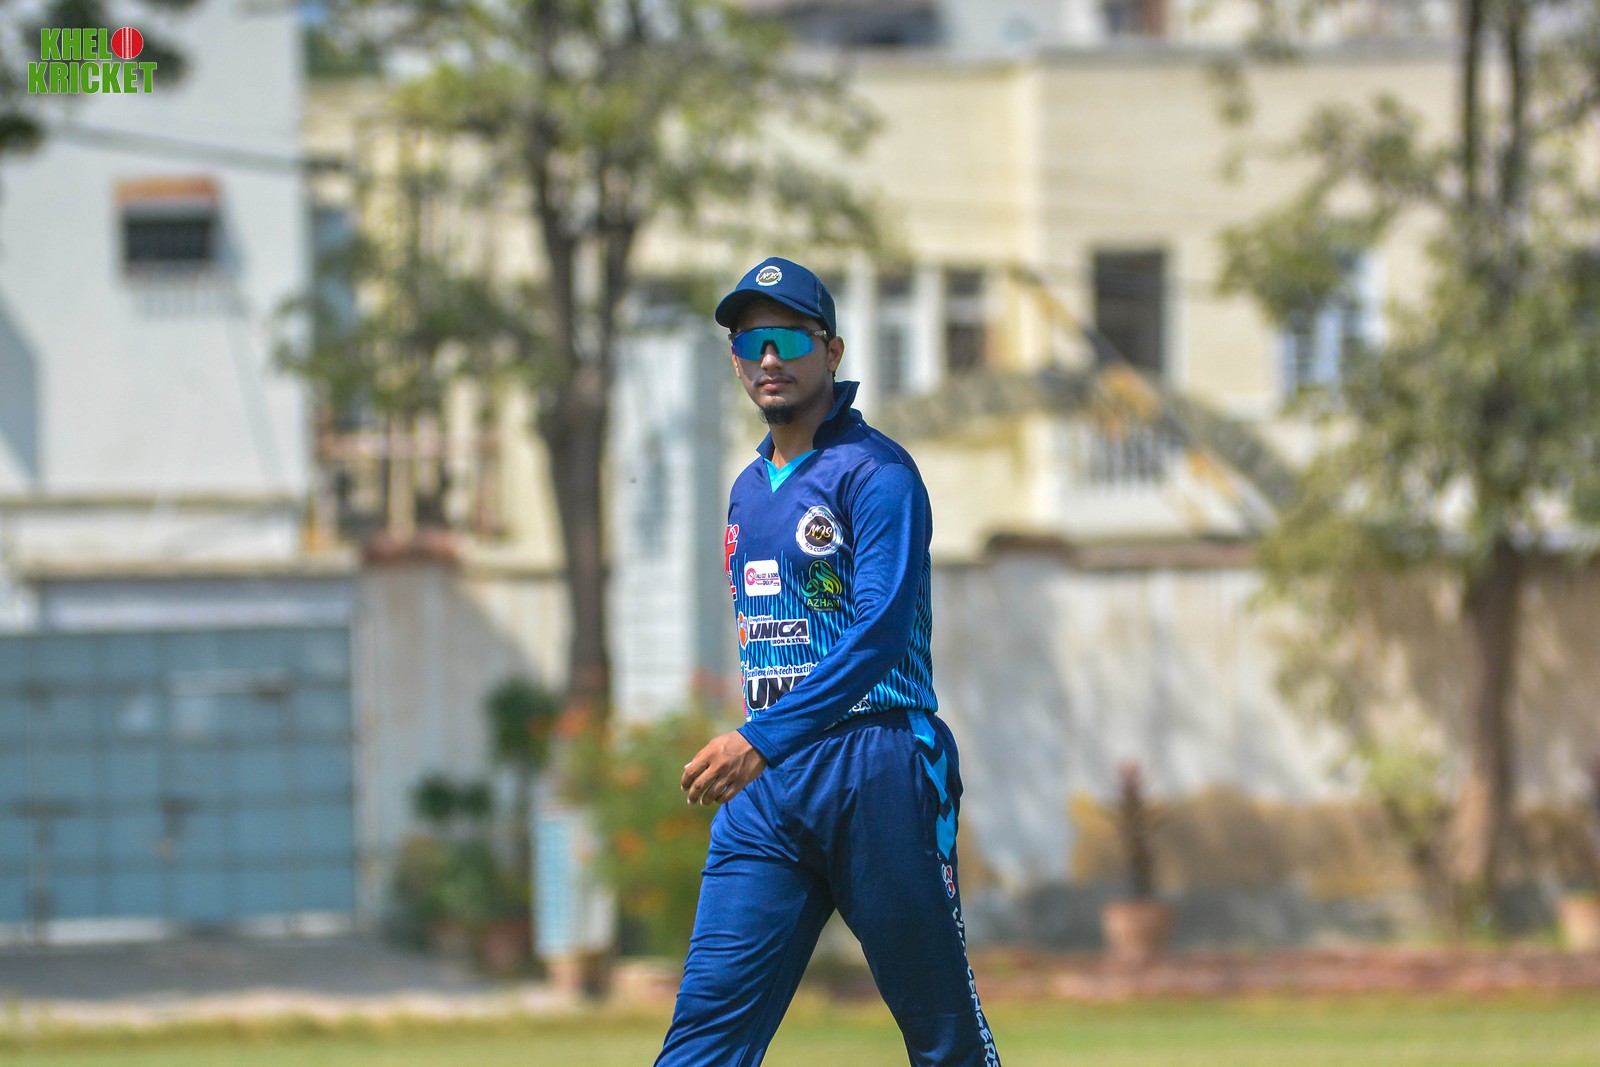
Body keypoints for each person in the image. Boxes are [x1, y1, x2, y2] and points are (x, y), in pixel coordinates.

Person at [654, 257, 1002, 1067]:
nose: (769, 358)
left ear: (833, 351)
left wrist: (759, 737)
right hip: (771, 789)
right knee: (703, 1038)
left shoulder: (878, 474)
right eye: (751, 343)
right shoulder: (747, 489)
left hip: (878, 768)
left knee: (944, 1037)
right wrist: (766, 742)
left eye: (789, 338)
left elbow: (878, 635)